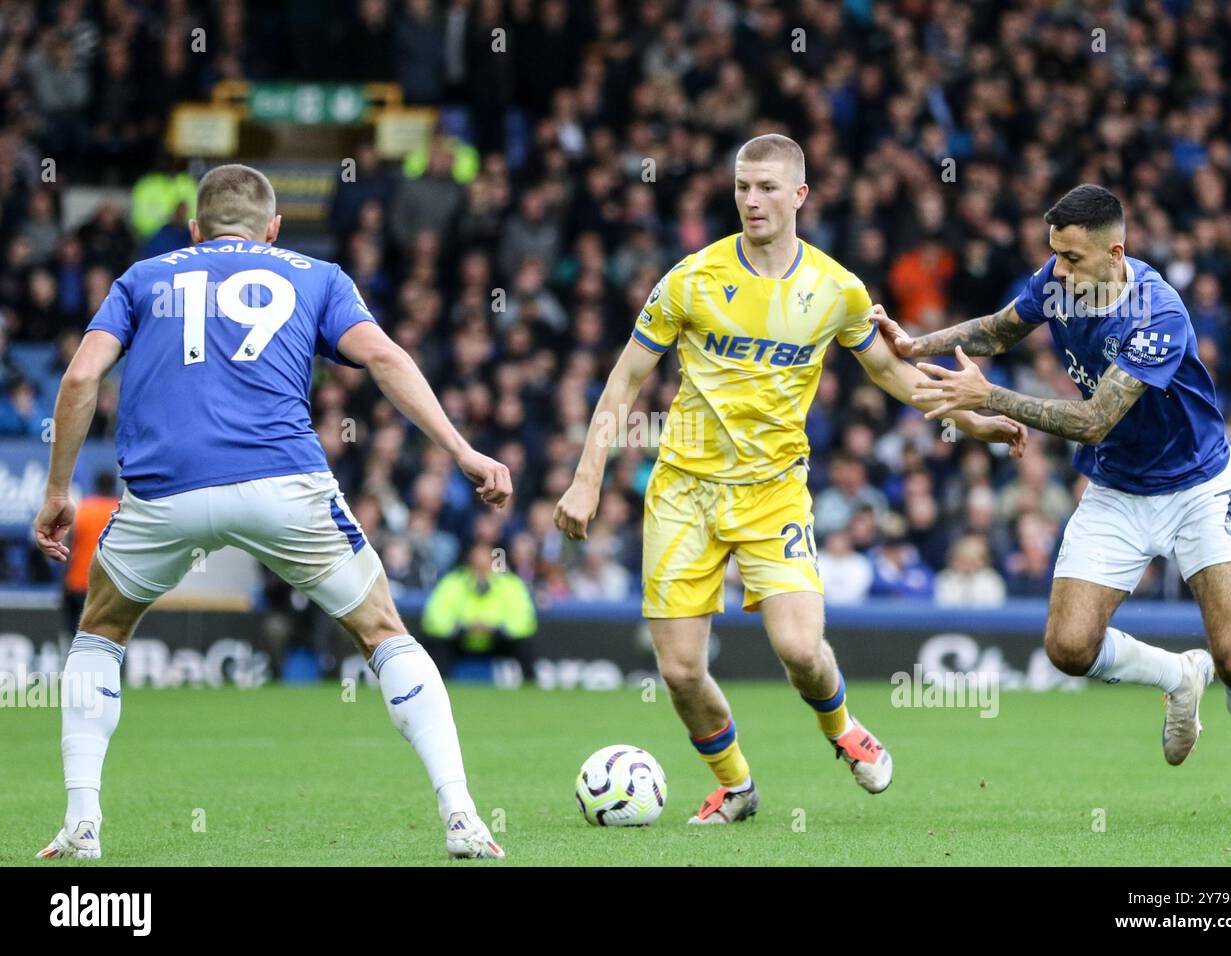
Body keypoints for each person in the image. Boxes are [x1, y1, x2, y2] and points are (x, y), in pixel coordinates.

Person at [33, 164, 514, 861]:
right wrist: (462, 450)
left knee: (100, 632)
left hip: (164, 491)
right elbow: (381, 354)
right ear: (275, 228)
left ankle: (82, 824)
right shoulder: (317, 276)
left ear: (194, 229)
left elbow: (80, 377)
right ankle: (463, 816)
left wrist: (57, 491)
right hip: (283, 483)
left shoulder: (143, 277)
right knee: (382, 631)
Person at [553, 134, 1027, 824]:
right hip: (683, 490)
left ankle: (842, 730)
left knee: (801, 649)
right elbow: (625, 380)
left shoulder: (836, 290)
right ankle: (737, 785)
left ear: (799, 195)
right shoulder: (690, 279)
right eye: (743, 186)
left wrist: (976, 421)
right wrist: (586, 478)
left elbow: (892, 373)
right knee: (682, 672)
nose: (752, 200)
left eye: (768, 187)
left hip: (774, 488)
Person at [879, 183, 1231, 826]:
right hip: (1119, 489)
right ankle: (1180, 677)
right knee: (1068, 646)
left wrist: (992, 401)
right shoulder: (1059, 279)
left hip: (1198, 486)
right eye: (1054, 256)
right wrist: (916, 347)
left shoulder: (1159, 314)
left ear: (1114, 253)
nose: (1056, 271)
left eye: (1070, 259)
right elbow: (997, 331)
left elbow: (1096, 419)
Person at [422, 541, 538, 683]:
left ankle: (531, 684)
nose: (481, 562)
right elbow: (435, 617)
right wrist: (463, 627)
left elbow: (523, 618)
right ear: (469, 559)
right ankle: (437, 685)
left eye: (486, 557)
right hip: (461, 638)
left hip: (498, 639)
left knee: (523, 644)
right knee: (436, 643)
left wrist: (495, 628)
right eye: (477, 557)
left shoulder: (510, 583)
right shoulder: (452, 582)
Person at [61, 470, 119, 638]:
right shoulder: (121, 511)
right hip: (110, 585)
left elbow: (68, 549)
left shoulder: (82, 509)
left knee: (77, 636)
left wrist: (64, 583)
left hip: (79, 582)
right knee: (110, 637)